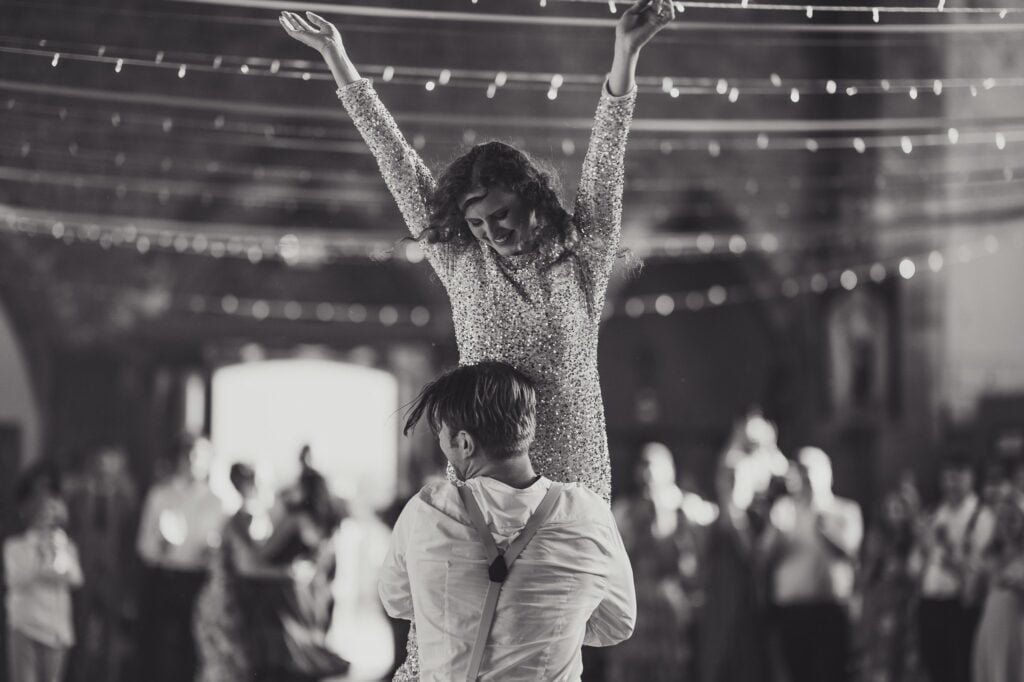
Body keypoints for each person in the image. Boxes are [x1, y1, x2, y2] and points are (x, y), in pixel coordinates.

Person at [279, 3, 673, 676]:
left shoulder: (581, 261)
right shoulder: (462, 265)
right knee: (452, 635)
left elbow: (608, 160)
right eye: (479, 223)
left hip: (572, 471)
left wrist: (625, 56)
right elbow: (400, 167)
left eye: (502, 216)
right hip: (480, 471)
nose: (493, 232)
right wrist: (338, 61)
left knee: (548, 643)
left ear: (529, 198)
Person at [381, 361, 636, 681]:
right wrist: (545, 622)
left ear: (464, 443)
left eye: (441, 436)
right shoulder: (588, 515)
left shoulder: (427, 512)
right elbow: (618, 623)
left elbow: (397, 600)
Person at [238, 464, 350, 682]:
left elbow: (264, 553)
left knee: (281, 661)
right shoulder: (327, 523)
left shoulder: (295, 519)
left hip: (286, 593)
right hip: (312, 594)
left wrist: (244, 537)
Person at [762, 447, 863, 682]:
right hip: (792, 609)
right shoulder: (783, 511)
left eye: (811, 471)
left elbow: (851, 553)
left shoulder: (844, 510)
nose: (807, 478)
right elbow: (765, 558)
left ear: (827, 473)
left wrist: (824, 526)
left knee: (833, 672)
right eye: (801, 471)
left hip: (830, 607)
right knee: (798, 673)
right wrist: (777, 531)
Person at [609, 443, 704, 681]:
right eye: (643, 465)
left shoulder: (685, 509)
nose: (648, 472)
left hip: (669, 607)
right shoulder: (624, 511)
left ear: (669, 469)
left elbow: (692, 566)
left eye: (654, 465)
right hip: (635, 603)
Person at [135, 434, 225, 682]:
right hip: (164, 578)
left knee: (192, 646)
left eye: (201, 457)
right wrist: (161, 547)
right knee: (156, 647)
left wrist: (211, 553)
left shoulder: (217, 503)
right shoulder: (160, 496)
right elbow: (144, 547)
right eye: (189, 455)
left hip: (198, 581)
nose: (194, 462)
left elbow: (222, 550)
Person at [910, 452, 995, 682]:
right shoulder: (932, 514)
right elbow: (916, 566)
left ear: (972, 478)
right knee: (934, 668)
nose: (952, 482)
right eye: (947, 475)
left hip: (960, 607)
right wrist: (924, 549)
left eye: (958, 475)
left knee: (960, 670)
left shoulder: (982, 517)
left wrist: (947, 550)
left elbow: (979, 572)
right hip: (929, 603)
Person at [193, 462, 268, 682]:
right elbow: (248, 566)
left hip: (229, 604)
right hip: (224, 606)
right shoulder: (243, 518)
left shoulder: (245, 517)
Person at [4, 488, 84, 682]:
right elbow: (15, 580)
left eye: (52, 515)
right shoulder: (15, 546)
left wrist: (57, 556)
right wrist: (40, 561)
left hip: (55, 628)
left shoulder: (64, 545)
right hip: (26, 626)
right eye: (43, 513)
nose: (47, 520)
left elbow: (75, 578)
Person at [857, 487, 922, 682]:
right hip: (881, 605)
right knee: (880, 658)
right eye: (889, 510)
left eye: (898, 509)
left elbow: (918, 574)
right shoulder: (878, 541)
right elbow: (865, 578)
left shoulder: (916, 540)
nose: (893, 515)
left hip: (909, 606)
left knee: (907, 659)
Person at [972, 491, 1024, 682]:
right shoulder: (990, 555)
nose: (1006, 526)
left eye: (1012, 519)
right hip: (990, 629)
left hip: (1016, 633)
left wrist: (1018, 585)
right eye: (1001, 519)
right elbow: (972, 598)